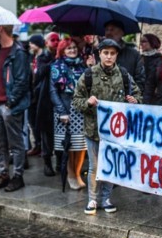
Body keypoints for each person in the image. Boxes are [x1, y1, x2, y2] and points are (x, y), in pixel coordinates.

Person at [72, 38, 142, 215]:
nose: (109, 57)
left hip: (115, 132)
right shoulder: (88, 75)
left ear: (117, 55)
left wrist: (135, 100)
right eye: (106, 53)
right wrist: (87, 102)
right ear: (99, 54)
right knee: (95, 167)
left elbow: (137, 95)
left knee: (112, 165)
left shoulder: (124, 75)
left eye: (112, 53)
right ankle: (93, 199)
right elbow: (76, 100)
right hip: (93, 130)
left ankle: (106, 198)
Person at [0, 25, 32, 192]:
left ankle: (18, 176)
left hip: (9, 105)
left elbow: (22, 81)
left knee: (15, 144)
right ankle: (3, 174)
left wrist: (10, 103)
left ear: (1, 28)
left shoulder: (18, 52)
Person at [50, 38, 88, 190]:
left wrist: (90, 67)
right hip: (64, 110)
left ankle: (77, 173)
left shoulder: (83, 65)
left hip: (81, 109)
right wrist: (61, 112)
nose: (72, 50)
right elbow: (53, 91)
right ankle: (71, 175)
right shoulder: (56, 66)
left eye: (74, 47)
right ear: (62, 50)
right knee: (69, 146)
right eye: (68, 48)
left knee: (80, 146)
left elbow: (89, 85)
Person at [28, 34, 56, 176]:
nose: (30, 45)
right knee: (41, 129)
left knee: (48, 131)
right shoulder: (35, 57)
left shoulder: (46, 58)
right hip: (37, 98)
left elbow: (40, 75)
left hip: (44, 98)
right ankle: (44, 156)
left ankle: (48, 159)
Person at [104, 20, 146, 92]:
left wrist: (132, 96)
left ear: (121, 33)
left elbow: (140, 80)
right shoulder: (97, 54)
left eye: (112, 30)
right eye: (106, 30)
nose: (108, 33)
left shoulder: (134, 55)